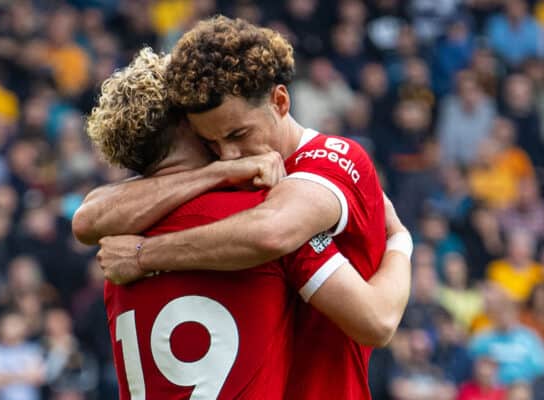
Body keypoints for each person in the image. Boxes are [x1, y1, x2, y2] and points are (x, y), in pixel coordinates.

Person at [78, 16, 407, 399]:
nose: (229, 154)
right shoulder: (236, 192)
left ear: (280, 101)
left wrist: (143, 254)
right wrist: (217, 173)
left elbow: (272, 232)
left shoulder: (330, 163)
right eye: (212, 143)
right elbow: (86, 219)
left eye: (238, 135)